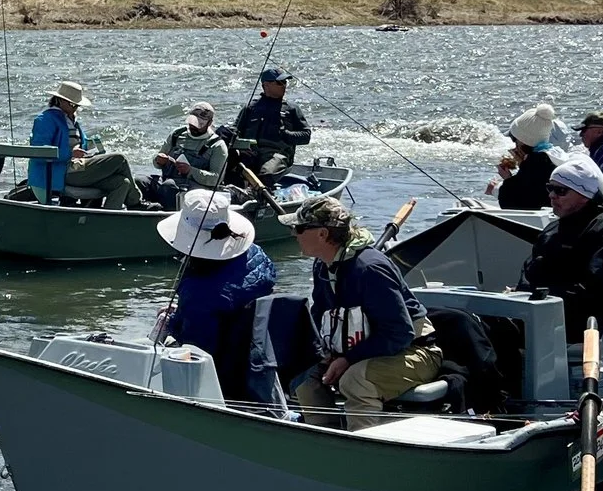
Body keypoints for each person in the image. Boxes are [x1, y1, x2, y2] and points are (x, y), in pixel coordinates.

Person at [286, 195, 442, 430]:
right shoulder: (322, 266)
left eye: (298, 228)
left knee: (355, 380)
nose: (293, 234)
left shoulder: (370, 269)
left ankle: (363, 447)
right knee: (305, 378)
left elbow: (399, 333)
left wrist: (348, 359)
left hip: (415, 351)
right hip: (360, 349)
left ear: (323, 234)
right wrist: (325, 352)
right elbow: (319, 316)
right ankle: (324, 439)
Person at [155, 189, 280, 407]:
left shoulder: (199, 292)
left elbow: (196, 350)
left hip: (224, 376)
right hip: (260, 362)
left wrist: (174, 322)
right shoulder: (258, 255)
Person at [522, 157, 603, 342]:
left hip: (578, 325)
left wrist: (545, 300)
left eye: (560, 191)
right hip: (535, 313)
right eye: (550, 188)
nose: (551, 196)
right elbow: (527, 274)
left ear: (584, 195)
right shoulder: (552, 230)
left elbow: (597, 292)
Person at [26, 80, 145, 209]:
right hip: (61, 171)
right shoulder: (45, 120)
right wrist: (70, 154)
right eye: (72, 104)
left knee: (122, 182)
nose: (75, 108)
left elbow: (80, 144)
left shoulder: (72, 120)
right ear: (59, 100)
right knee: (119, 159)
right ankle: (136, 202)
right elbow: (39, 152)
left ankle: (107, 219)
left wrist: (90, 147)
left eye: (77, 105)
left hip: (78, 168)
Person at [229, 68, 313, 190]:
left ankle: (259, 198)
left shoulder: (291, 109)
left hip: (277, 155)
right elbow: (235, 130)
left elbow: (306, 136)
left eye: (285, 82)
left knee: (266, 174)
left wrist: (286, 134)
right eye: (279, 83)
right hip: (249, 152)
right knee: (229, 168)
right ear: (266, 85)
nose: (284, 86)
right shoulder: (251, 107)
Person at [142, 101, 231, 209]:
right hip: (167, 179)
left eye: (200, 124)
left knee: (169, 186)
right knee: (141, 182)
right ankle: (139, 212)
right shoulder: (177, 135)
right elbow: (157, 162)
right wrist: (159, 161)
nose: (194, 126)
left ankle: (165, 215)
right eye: (193, 122)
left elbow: (216, 179)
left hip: (197, 191)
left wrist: (190, 171)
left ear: (209, 123)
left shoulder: (217, 145)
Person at [494, 103, 561, 210]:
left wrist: (507, 179)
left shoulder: (535, 164)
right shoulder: (554, 155)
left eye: (514, 139)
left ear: (522, 141)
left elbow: (511, 205)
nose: (514, 144)